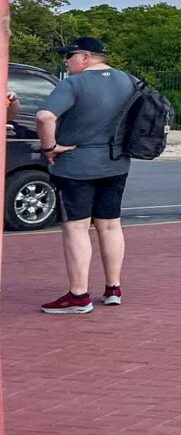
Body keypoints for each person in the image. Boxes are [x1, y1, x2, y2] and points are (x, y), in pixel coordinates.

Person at [33, 38, 136, 314]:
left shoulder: (73, 84)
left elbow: (44, 116)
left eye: (70, 56)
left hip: (76, 165)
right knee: (111, 225)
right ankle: (113, 288)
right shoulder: (129, 81)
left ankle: (78, 296)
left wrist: (49, 147)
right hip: (116, 163)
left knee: (76, 227)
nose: (66, 61)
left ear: (87, 57)